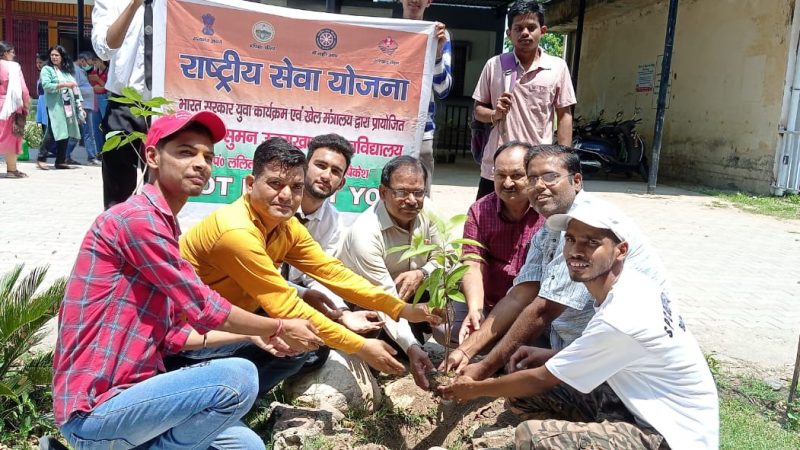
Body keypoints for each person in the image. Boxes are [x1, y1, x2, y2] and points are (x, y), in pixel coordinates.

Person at [53, 110, 324, 449]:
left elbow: (173, 334)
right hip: (93, 410)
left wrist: (253, 337)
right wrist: (277, 328)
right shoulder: (136, 219)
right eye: (185, 152)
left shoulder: (166, 227)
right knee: (238, 377)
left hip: (134, 396)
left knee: (246, 445)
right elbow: (203, 306)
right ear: (152, 157)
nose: (201, 164)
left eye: (207, 156)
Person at [441, 203, 719, 450]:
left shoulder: (622, 315)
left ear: (621, 250)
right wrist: (554, 357)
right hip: (639, 401)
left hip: (671, 436)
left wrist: (474, 389)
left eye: (591, 243)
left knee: (531, 437)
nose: (576, 251)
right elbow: (622, 355)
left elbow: (542, 378)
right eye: (571, 240)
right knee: (522, 395)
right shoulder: (631, 284)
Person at [174, 138, 440, 392]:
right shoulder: (235, 232)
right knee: (301, 341)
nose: (286, 195)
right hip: (189, 334)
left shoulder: (284, 225)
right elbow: (286, 305)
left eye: (296, 187)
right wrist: (360, 346)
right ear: (250, 184)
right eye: (275, 183)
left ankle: (229, 387)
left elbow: (331, 272)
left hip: (236, 317)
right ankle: (222, 400)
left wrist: (402, 309)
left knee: (311, 345)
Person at [444, 145, 668, 403]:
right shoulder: (552, 225)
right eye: (532, 178)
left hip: (625, 365)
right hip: (583, 349)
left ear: (576, 180)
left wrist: (483, 370)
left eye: (550, 176)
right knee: (521, 372)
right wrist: (466, 350)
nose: (539, 186)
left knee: (521, 391)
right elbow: (519, 295)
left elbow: (543, 309)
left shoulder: (589, 223)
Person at [338, 156, 441, 389]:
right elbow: (382, 298)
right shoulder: (365, 233)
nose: (412, 200)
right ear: (383, 192)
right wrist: (412, 348)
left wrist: (422, 273)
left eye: (418, 192)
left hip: (411, 295)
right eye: (402, 192)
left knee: (444, 318)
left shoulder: (429, 210)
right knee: (381, 352)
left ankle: (412, 342)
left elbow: (445, 256)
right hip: (367, 303)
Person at [473, 0, 576, 199]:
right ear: (508, 33)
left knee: (536, 225)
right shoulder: (495, 65)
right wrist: (495, 114)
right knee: (486, 221)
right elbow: (478, 111)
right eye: (518, 28)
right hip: (498, 165)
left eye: (531, 27)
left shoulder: (557, 67)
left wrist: (564, 159)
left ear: (543, 30)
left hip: (537, 165)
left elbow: (564, 116)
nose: (525, 33)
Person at [285, 133, 385, 335]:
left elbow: (318, 276)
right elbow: (263, 276)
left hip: (299, 294)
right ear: (304, 167)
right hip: (263, 293)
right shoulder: (279, 205)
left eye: (335, 171)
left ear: (341, 183)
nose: (326, 175)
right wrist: (305, 295)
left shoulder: (334, 221)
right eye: (321, 166)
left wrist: (343, 312)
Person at [457, 141, 544, 344]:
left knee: (538, 336)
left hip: (531, 306)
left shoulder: (547, 211)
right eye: (500, 175)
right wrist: (476, 309)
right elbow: (472, 261)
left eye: (516, 175)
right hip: (489, 302)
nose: (507, 183)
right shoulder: (479, 210)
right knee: (446, 327)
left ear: (532, 175)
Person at [92, 0, 149, 208]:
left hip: (164, 106)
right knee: (117, 197)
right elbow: (103, 49)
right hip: (124, 105)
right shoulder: (111, 2)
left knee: (163, 191)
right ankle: (117, 238)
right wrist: (134, 5)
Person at [400, 0, 451, 190]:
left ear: (429, 1)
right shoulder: (387, 32)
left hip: (422, 130)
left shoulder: (440, 35)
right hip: (386, 127)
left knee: (420, 195)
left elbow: (443, 89)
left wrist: (437, 53)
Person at [37, 45, 83, 171]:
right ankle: (41, 157)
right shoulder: (47, 69)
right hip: (55, 106)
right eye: (52, 55)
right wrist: (64, 84)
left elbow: (75, 88)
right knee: (53, 131)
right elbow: (46, 85)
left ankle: (61, 160)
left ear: (62, 57)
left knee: (66, 131)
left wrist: (80, 105)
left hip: (68, 106)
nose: (54, 57)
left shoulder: (66, 70)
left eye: (57, 55)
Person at [0, 41, 31, 178]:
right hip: (11, 106)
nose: (14, 54)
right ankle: (11, 170)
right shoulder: (14, 67)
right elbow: (23, 90)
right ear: (5, 53)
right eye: (12, 52)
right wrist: (26, 105)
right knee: (12, 137)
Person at [65, 51, 100, 166]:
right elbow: (75, 88)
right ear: (82, 60)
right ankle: (91, 157)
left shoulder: (81, 70)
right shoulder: (75, 70)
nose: (89, 65)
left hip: (86, 105)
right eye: (89, 62)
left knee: (79, 133)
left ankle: (66, 156)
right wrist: (80, 106)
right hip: (83, 106)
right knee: (87, 132)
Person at [87, 54, 108, 151]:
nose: (95, 63)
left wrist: (98, 80)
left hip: (104, 98)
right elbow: (92, 85)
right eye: (94, 61)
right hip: (95, 97)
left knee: (105, 124)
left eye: (96, 61)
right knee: (96, 125)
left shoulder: (108, 71)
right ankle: (99, 150)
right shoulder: (94, 71)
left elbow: (107, 87)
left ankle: (107, 148)